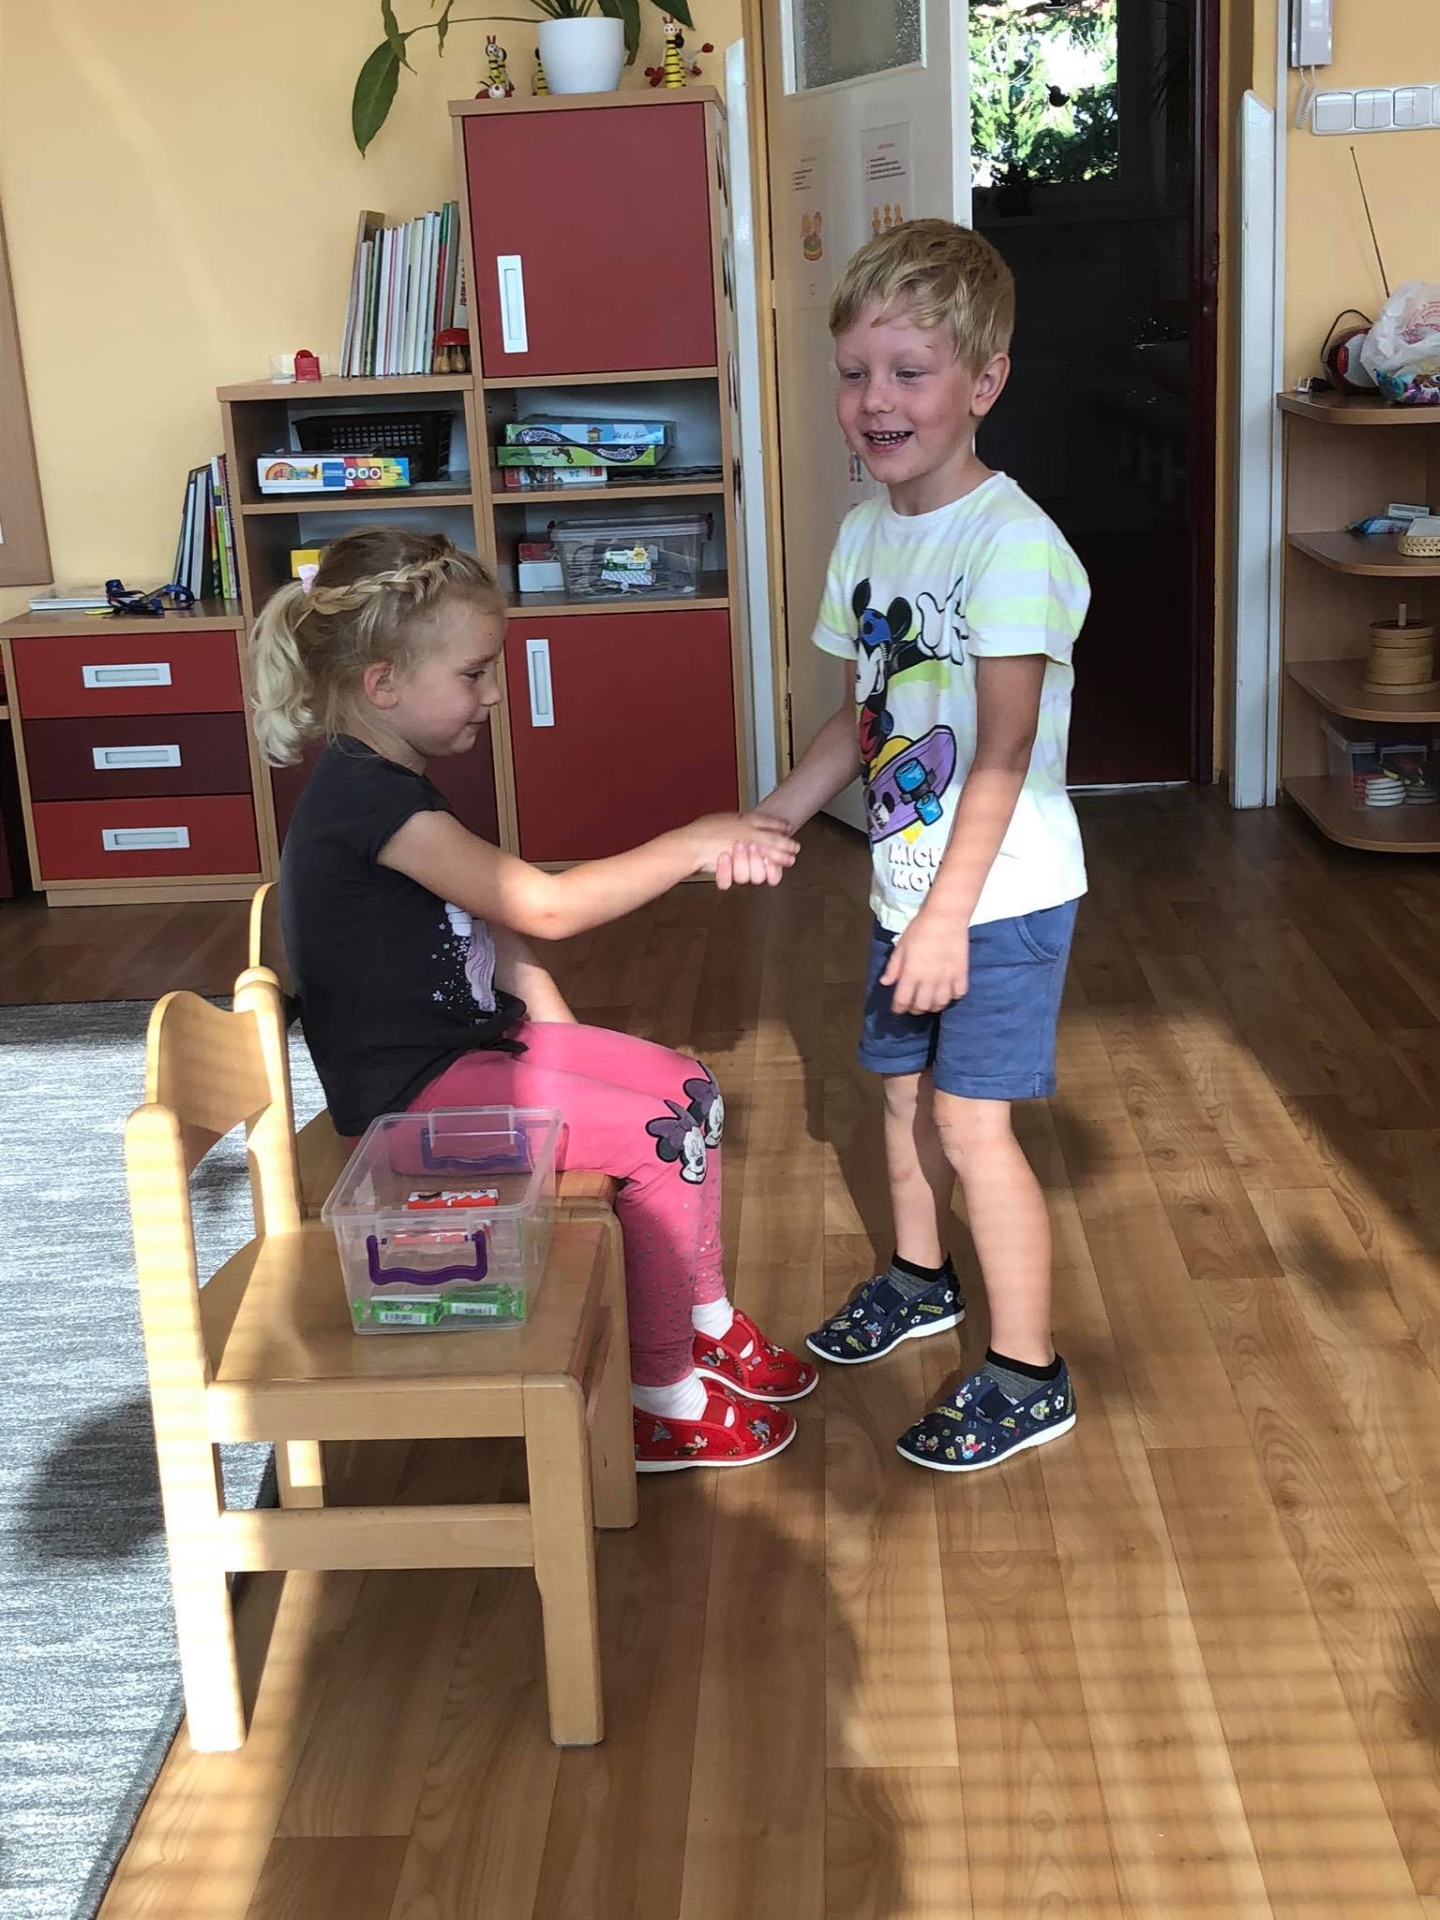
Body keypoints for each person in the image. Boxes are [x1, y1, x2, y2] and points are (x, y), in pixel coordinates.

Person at [249, 527, 817, 1473]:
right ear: (383, 683)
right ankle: (658, 1397)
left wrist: (558, 1029)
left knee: (691, 1089)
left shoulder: (388, 783)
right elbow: (543, 907)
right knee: (658, 1136)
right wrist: (693, 842)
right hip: (410, 1106)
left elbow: (479, 926)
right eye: (474, 673)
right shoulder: (372, 805)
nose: (494, 693)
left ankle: (701, 1316)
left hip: (467, 1058)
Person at [754, 218, 1089, 1471]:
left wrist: (947, 915)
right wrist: (780, 812)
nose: (876, 401)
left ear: (983, 382)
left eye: (910, 372)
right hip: (910, 889)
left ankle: (1028, 1372)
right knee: (899, 1096)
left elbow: (1003, 746)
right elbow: (868, 714)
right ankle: (918, 1278)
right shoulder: (866, 536)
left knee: (971, 1125)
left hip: (998, 898)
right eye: (855, 373)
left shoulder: (1012, 544)